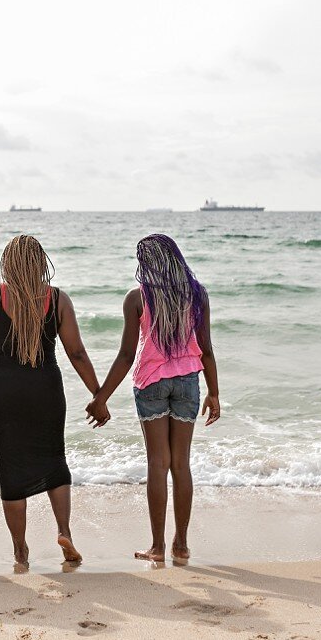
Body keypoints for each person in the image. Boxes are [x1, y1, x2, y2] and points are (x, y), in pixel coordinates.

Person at [0, 235, 101, 567]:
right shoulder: (57, 299)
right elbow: (76, 353)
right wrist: (98, 394)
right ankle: (64, 530)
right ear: (40, 262)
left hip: (3, 389)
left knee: (10, 464)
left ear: (7, 262)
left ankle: (20, 549)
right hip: (45, 388)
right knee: (54, 459)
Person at [86, 234, 220, 563]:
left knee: (158, 466)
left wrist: (101, 397)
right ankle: (182, 545)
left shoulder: (137, 298)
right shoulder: (196, 294)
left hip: (151, 383)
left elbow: (125, 355)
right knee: (181, 465)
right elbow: (207, 349)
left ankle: (158, 547)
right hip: (188, 382)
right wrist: (214, 392)